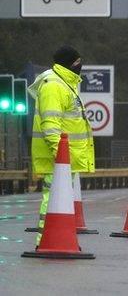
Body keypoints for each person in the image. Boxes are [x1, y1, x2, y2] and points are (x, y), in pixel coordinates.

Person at [27, 46, 94, 246]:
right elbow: (50, 126)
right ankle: (48, 240)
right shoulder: (54, 86)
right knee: (54, 198)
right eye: (76, 62)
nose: (79, 65)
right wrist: (61, 158)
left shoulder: (66, 83)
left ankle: (53, 239)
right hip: (58, 158)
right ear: (67, 63)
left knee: (59, 199)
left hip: (65, 158)